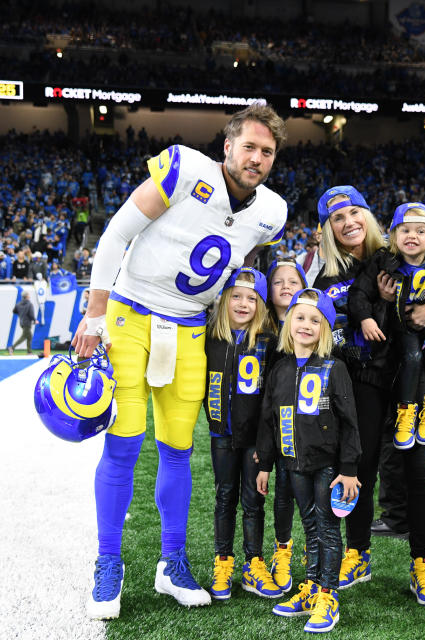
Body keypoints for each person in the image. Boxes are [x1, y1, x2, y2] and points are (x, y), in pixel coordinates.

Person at [72, 105, 288, 619]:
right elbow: (116, 234)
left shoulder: (271, 212)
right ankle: (108, 562)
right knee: (123, 442)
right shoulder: (185, 168)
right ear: (228, 146)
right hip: (131, 313)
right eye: (250, 147)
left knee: (177, 447)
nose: (256, 158)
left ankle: (171, 563)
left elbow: (246, 265)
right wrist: (95, 314)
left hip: (190, 325)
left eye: (267, 152)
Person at [310, 186, 425, 604]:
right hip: (361, 382)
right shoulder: (326, 276)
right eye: (337, 218)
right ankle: (357, 552)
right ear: (328, 229)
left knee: (417, 471)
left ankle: (423, 562)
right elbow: (322, 333)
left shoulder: (402, 252)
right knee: (360, 469)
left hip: (410, 379)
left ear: (368, 216)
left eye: (354, 212)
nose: (348, 222)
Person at [256, 288, 361, 634]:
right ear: (288, 323)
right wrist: (265, 464)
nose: (306, 324)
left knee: (328, 529)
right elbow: (270, 420)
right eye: (300, 317)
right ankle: (313, 587)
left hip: (327, 465)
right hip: (293, 464)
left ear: (326, 329)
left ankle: (328, 596)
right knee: (310, 527)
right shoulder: (280, 370)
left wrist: (348, 470)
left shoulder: (335, 368)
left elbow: (349, 423)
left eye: (315, 320)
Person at [347, 202, 425, 450]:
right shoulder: (383, 260)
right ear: (393, 234)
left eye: (420, 231)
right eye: (405, 230)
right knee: (411, 356)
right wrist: (366, 318)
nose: (412, 236)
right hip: (399, 329)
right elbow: (359, 292)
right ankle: (406, 409)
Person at [205, 267, 282, 600]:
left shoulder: (268, 341)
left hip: (255, 440)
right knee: (224, 497)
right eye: (236, 295)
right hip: (221, 435)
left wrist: (266, 444)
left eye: (252, 298)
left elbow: (273, 396)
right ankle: (223, 562)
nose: (242, 303)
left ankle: (254, 561)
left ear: (261, 304)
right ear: (224, 299)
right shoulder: (210, 336)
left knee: (253, 502)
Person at [264, 257, 309, 591]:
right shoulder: (260, 325)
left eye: (293, 281)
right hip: (277, 426)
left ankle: (314, 549)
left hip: (311, 427)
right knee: (283, 492)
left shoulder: (311, 324)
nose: (285, 287)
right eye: (278, 281)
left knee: (312, 494)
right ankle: (282, 551)